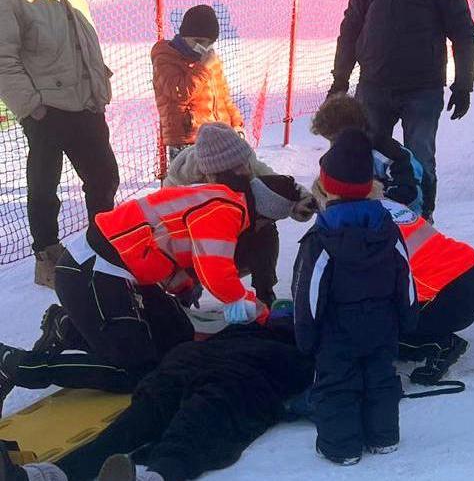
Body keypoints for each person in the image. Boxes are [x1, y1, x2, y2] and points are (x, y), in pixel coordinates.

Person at [0, 174, 306, 413]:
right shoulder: (227, 212)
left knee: (179, 340)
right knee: (136, 371)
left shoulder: (223, 199)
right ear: (265, 216)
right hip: (93, 271)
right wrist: (258, 310)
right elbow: (217, 272)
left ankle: (68, 328)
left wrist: (183, 287)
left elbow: (164, 245)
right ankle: (21, 364)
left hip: (119, 270)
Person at [0, 321, 316, 481]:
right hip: (244, 370)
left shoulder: (241, 327)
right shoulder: (308, 345)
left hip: (191, 359)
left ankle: (48, 475)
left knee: (128, 428)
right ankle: (158, 474)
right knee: (199, 426)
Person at [292, 128, 416, 465]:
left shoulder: (321, 238)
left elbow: (309, 294)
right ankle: (384, 436)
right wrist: (407, 318)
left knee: (336, 385)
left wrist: (306, 336)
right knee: (381, 376)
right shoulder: (387, 229)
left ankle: (341, 446)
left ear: (326, 187)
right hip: (382, 324)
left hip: (337, 330)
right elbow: (405, 278)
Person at [311, 179, 474, 384]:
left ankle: (441, 344)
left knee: (377, 332)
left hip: (454, 294)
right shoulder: (389, 205)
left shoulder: (360, 226)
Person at [0, 0, 120, 288]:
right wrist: (33, 108)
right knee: (44, 184)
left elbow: (87, 45)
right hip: (46, 109)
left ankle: (103, 243)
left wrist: (99, 88)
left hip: (87, 103)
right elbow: (3, 60)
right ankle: (48, 257)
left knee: (105, 177)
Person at [328, 0, 474, 221]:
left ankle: (422, 219)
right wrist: (340, 79)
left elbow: (463, 32)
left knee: (420, 157)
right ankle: (365, 219)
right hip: (374, 85)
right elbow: (351, 26)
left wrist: (463, 85)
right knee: (365, 153)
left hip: (423, 89)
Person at [163, 122, 318, 306]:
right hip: (199, 246)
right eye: (237, 168)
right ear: (213, 173)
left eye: (245, 163)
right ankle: (185, 294)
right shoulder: (180, 182)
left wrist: (301, 200)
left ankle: (265, 292)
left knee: (266, 228)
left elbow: (278, 185)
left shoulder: (244, 159)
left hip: (237, 239)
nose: (245, 170)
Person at [151, 4, 244, 163]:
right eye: (198, 41)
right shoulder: (165, 58)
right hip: (188, 140)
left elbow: (224, 97)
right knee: (194, 186)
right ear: (184, 35)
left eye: (209, 43)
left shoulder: (209, 60)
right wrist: (202, 68)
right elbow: (179, 92)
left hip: (218, 135)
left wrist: (236, 124)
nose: (202, 47)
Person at [311, 94, 424, 214]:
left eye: (335, 141)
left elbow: (408, 191)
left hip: (403, 217)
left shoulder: (389, 154)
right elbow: (336, 194)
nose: (333, 147)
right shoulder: (338, 159)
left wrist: (370, 203)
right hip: (366, 218)